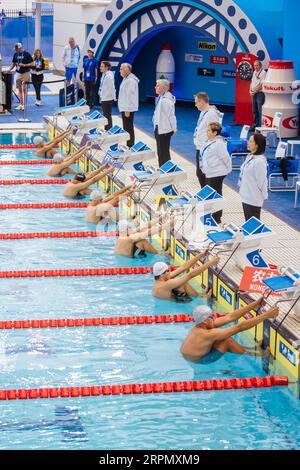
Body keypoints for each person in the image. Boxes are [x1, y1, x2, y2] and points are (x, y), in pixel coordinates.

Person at [180, 300, 279, 364]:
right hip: (200, 360)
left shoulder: (201, 325)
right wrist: (266, 315)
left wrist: (254, 304)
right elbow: (240, 327)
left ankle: (253, 349)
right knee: (226, 340)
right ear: (205, 320)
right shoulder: (208, 334)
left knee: (223, 337)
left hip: (189, 356)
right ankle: (257, 356)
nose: (214, 317)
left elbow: (230, 317)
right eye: (211, 316)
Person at [152, 253, 220, 302]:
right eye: (167, 271)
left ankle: (200, 295)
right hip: (176, 304)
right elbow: (190, 275)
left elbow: (183, 267)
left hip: (169, 298)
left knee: (182, 285)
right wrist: (210, 263)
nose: (169, 272)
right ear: (161, 275)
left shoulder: (160, 280)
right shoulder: (166, 284)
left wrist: (200, 255)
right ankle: (202, 297)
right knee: (184, 283)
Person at [201, 122, 232, 223]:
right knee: (211, 194)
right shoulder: (208, 142)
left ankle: (217, 216)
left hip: (217, 173)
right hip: (210, 172)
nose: (207, 132)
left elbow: (226, 158)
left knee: (216, 194)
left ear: (215, 133)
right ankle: (213, 213)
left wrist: (228, 170)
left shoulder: (219, 144)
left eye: (209, 130)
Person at [194, 92, 222, 188]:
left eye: (196, 102)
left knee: (203, 173)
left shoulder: (211, 114)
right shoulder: (204, 112)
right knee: (200, 173)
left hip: (205, 148)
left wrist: (208, 145)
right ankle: (205, 193)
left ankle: (207, 193)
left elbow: (215, 131)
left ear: (202, 102)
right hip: (200, 146)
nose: (195, 105)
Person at [239, 133, 268, 221]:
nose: (248, 143)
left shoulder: (259, 162)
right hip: (246, 196)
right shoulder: (250, 157)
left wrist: (263, 196)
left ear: (257, 145)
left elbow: (262, 182)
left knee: (253, 227)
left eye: (251, 141)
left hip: (253, 198)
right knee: (248, 224)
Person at [153, 79, 177, 167]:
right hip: (159, 128)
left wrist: (174, 129)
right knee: (161, 152)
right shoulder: (161, 98)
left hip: (164, 131)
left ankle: (166, 170)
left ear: (164, 88)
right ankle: (163, 169)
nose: (155, 87)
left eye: (158, 85)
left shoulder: (166, 100)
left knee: (164, 153)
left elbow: (171, 116)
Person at [118, 63, 139, 147]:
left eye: (121, 69)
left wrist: (127, 109)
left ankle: (130, 145)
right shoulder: (126, 78)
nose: (120, 70)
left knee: (128, 127)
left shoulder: (130, 80)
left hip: (128, 108)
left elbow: (130, 96)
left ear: (127, 70)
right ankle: (128, 144)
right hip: (125, 107)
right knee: (126, 127)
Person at [8, 43, 32, 111]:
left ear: (20, 48)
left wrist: (24, 65)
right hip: (18, 73)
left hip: (25, 73)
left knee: (24, 89)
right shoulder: (15, 54)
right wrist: (9, 69)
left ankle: (24, 105)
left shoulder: (26, 54)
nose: (16, 50)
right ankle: (21, 104)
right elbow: (14, 63)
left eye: (16, 49)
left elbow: (32, 63)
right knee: (19, 89)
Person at [98, 61, 116, 130]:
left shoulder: (109, 76)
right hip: (104, 98)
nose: (100, 68)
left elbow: (112, 87)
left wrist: (114, 98)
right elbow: (102, 86)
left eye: (102, 66)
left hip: (108, 99)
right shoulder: (104, 75)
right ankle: (106, 129)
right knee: (105, 115)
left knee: (107, 115)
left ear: (106, 67)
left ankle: (109, 130)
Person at [249, 60, 267, 131]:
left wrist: (254, 91)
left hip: (260, 94)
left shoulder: (264, 73)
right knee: (254, 110)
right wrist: (250, 90)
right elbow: (252, 82)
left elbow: (261, 84)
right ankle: (255, 125)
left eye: (257, 65)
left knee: (260, 110)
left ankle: (262, 126)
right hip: (254, 93)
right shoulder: (254, 72)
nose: (255, 67)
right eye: (254, 66)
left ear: (260, 66)